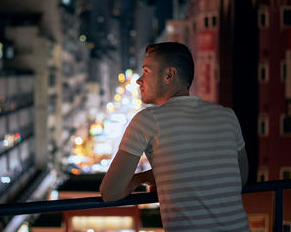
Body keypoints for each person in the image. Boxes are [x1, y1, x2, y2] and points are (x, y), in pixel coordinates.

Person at [100, 42, 251, 231]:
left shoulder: (148, 120)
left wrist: (140, 178)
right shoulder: (227, 115)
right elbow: (241, 177)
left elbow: (110, 192)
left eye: (146, 72)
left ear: (169, 75)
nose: (139, 80)